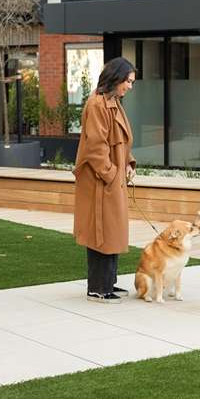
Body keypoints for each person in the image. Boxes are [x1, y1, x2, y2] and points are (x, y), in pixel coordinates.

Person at [73, 57, 137, 303]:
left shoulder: (113, 102)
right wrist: (111, 174)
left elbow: (119, 141)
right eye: (128, 81)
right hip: (100, 180)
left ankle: (108, 282)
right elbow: (96, 147)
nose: (129, 86)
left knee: (112, 232)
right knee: (101, 232)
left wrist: (128, 163)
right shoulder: (98, 104)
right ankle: (98, 288)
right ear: (116, 78)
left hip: (110, 178)